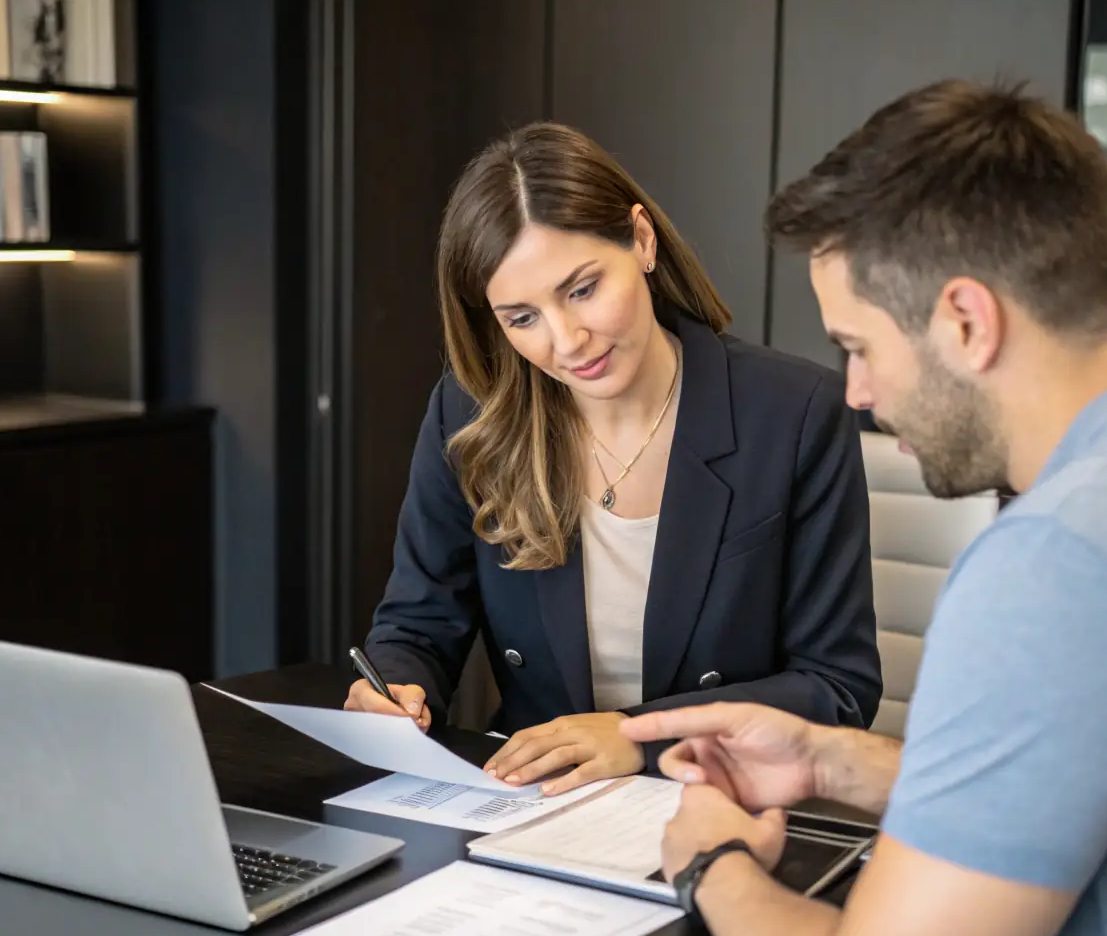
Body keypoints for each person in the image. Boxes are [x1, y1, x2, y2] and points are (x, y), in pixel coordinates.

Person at [622, 79, 1107, 936]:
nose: (854, 392)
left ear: (966, 322)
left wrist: (713, 861)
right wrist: (834, 764)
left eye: (857, 346)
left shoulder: (1058, 566)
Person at [344, 122, 881, 796]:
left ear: (641, 239)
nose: (567, 341)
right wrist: (398, 686)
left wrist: (634, 735)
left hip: (725, 798)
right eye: (521, 319)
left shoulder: (795, 411)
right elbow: (419, 623)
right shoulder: (471, 411)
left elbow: (835, 688)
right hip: (530, 802)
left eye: (581, 289)